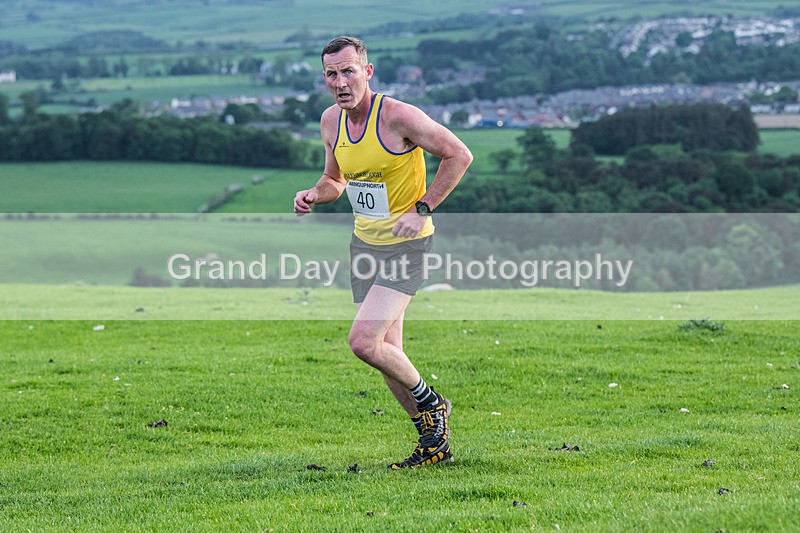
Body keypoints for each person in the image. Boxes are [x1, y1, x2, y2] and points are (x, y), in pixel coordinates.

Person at [293, 36, 473, 469]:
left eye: (348, 71)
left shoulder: (397, 116)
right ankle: (435, 446)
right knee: (388, 352)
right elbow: (335, 179)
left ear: (367, 72)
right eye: (332, 74)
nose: (340, 81)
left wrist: (422, 207)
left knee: (363, 340)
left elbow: (459, 155)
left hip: (408, 245)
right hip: (365, 244)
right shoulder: (330, 122)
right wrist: (315, 194)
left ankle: (434, 406)